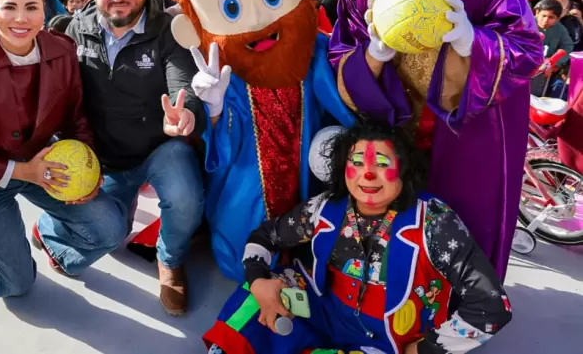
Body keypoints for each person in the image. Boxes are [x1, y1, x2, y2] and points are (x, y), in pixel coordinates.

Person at [294, 0, 543, 279]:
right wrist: (374, 56)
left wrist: (476, 43)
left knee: (467, 221)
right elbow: (340, 64)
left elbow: (528, 49)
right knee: (397, 228)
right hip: (398, 136)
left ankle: (463, 303)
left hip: (471, 137)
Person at [171, 0, 355, 282]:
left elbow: (347, 106)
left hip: (308, 178)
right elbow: (221, 152)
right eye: (232, 6)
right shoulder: (224, 72)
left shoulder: (313, 53)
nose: (257, 17)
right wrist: (216, 110)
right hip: (246, 189)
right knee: (239, 253)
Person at [204, 124, 513, 354]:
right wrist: (258, 281)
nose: (367, 176)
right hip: (324, 313)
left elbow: (492, 307)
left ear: (404, 171)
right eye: (357, 163)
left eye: (382, 164)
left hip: (386, 340)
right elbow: (265, 236)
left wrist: (427, 348)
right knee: (251, 298)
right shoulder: (326, 206)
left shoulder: (433, 220)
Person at [0, 0, 122, 299]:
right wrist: (24, 172)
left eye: (31, 7)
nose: (20, 18)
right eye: (9, 7)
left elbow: (75, 116)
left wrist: (88, 168)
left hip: (44, 162)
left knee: (111, 229)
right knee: (14, 285)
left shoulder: (62, 51)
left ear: (45, 10)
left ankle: (51, 239)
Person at [65, 0, 206, 315]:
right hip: (106, 158)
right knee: (104, 237)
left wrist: (186, 112)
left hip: (159, 148)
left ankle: (170, 260)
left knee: (186, 193)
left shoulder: (168, 29)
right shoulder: (76, 29)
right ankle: (57, 229)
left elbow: (183, 83)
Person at [533, 0, 573, 99]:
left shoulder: (560, 29)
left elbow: (568, 47)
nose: (546, 20)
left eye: (551, 17)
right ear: (537, 13)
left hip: (549, 69)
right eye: (544, 16)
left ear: (557, 19)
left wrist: (555, 63)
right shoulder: (526, 24)